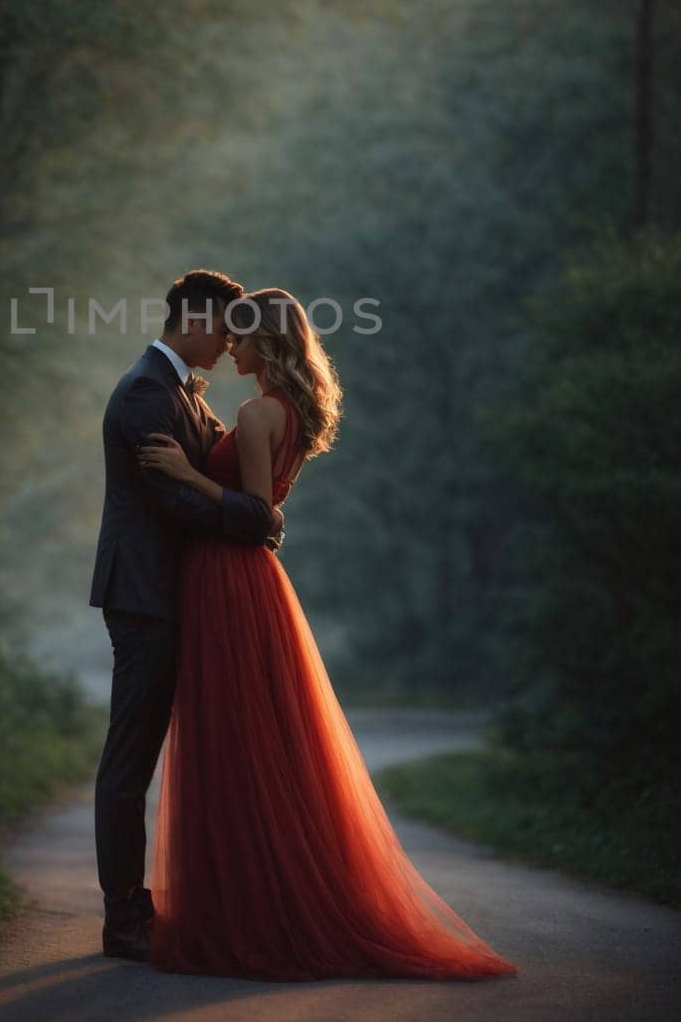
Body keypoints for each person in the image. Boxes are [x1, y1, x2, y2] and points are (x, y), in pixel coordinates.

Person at [138, 288, 518, 982]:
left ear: (265, 343)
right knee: (250, 737)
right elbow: (270, 513)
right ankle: (250, 901)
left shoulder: (257, 412)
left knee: (234, 737)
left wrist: (189, 471)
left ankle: (248, 914)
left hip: (230, 580)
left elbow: (255, 514)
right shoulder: (286, 410)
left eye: (239, 337)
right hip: (246, 582)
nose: (230, 346)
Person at [90, 270, 284, 962]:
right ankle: (124, 919)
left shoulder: (178, 392)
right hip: (146, 596)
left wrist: (252, 512)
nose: (231, 342)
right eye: (227, 328)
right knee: (130, 760)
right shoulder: (146, 393)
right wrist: (255, 519)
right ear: (196, 321)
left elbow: (203, 484)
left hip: (183, 594)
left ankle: (189, 902)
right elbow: (172, 503)